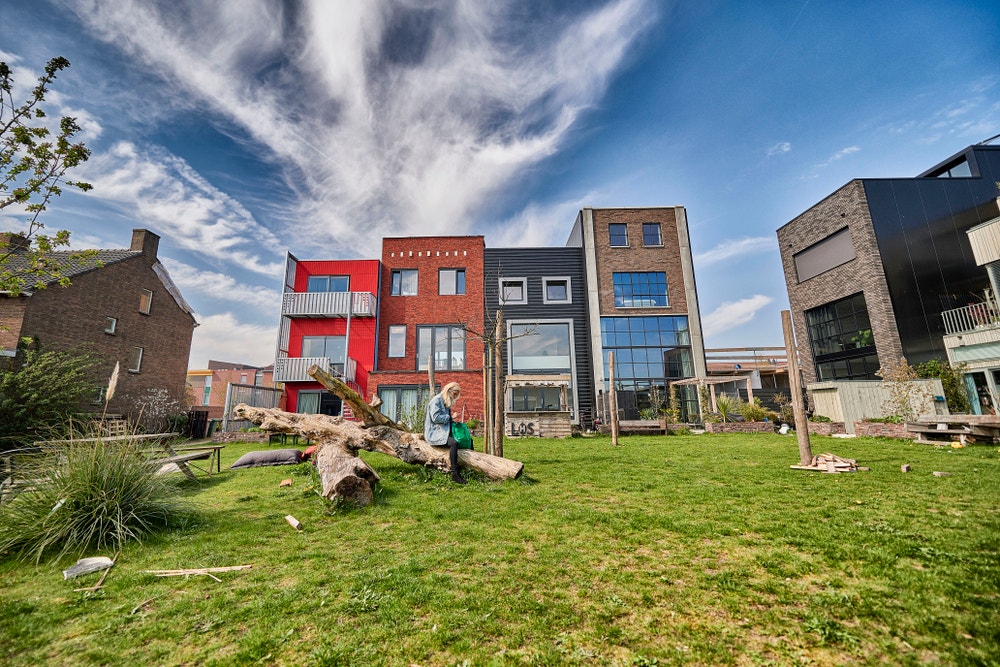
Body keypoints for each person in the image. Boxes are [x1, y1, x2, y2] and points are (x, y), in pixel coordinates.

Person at [424, 381, 467, 484]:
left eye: (457, 394)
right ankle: (455, 473)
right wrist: (450, 417)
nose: (455, 396)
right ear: (448, 391)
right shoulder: (436, 400)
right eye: (454, 394)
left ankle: (467, 466)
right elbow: (435, 418)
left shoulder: (445, 401)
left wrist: (453, 421)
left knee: (465, 439)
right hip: (435, 433)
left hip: (443, 431)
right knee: (454, 443)